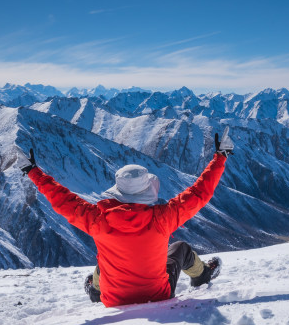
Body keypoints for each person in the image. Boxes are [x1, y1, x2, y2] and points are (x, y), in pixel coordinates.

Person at [19, 130, 235, 307]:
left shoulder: (98, 220)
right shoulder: (163, 217)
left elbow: (61, 199)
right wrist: (220, 156)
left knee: (107, 258)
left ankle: (95, 291)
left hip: (114, 299)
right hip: (158, 294)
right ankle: (203, 275)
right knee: (181, 248)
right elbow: (199, 192)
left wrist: (32, 171)